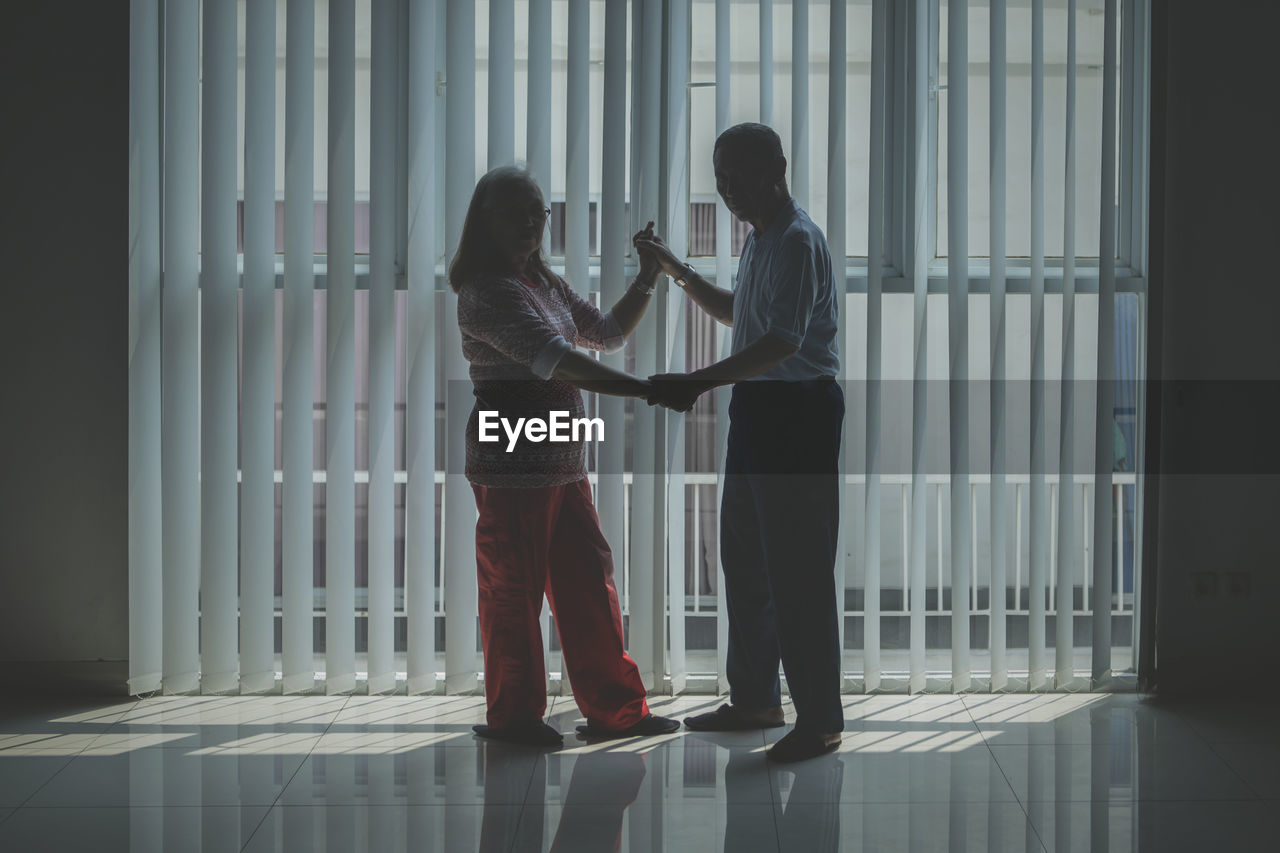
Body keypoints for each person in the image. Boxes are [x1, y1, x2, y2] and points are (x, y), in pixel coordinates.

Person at [636, 123, 845, 762]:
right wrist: (677, 271)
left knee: (799, 574)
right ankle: (755, 698)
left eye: (738, 174)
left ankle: (821, 721)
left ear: (778, 165)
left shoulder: (798, 240)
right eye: (720, 177)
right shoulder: (761, 239)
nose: (727, 189)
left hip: (796, 415)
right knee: (747, 563)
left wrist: (696, 382)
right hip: (757, 411)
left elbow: (782, 342)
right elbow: (743, 317)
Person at [452, 165, 680, 745]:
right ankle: (515, 720)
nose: (532, 222)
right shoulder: (486, 292)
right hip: (512, 465)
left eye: (539, 212)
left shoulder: (541, 283)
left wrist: (648, 276)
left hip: (561, 461)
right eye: (516, 211)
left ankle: (617, 711)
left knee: (588, 586)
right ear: (485, 220)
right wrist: (647, 389)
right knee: (512, 592)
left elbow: (604, 333)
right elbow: (562, 359)